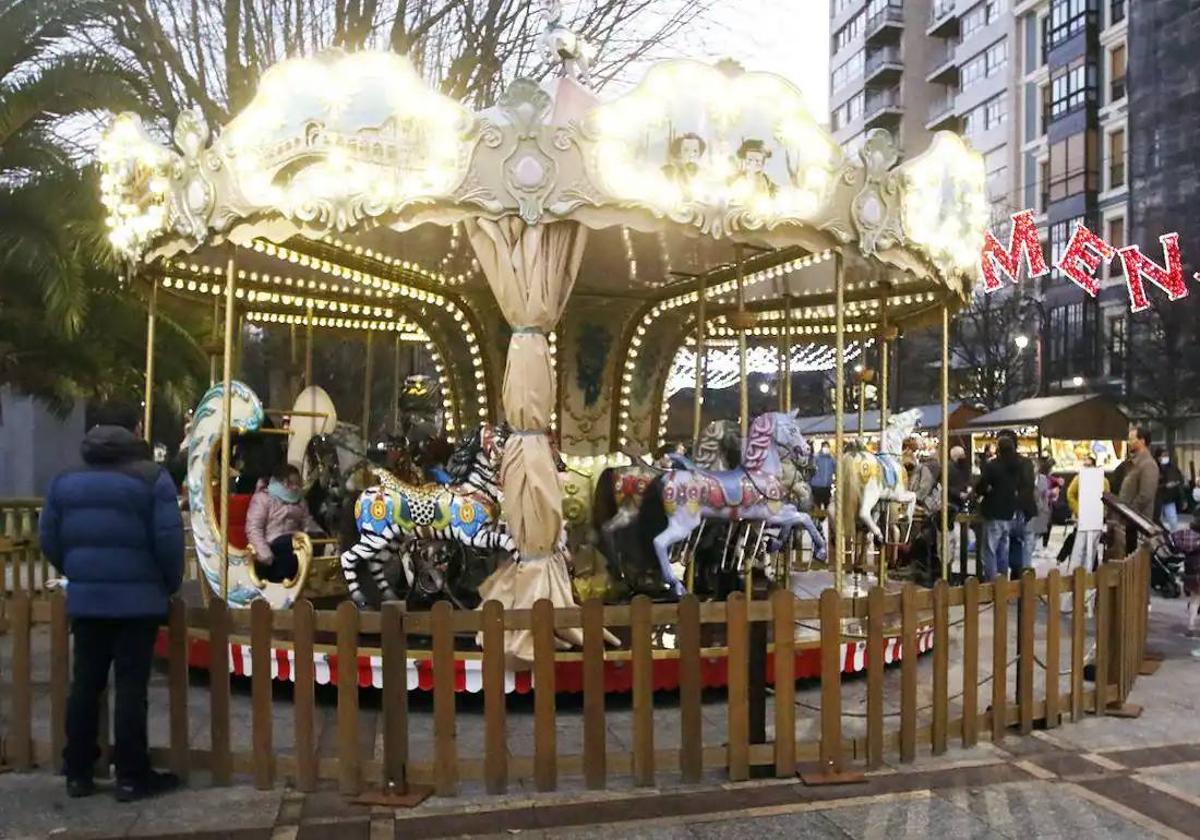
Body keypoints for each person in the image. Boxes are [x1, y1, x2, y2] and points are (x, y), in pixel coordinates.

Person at [39, 401, 184, 801]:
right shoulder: (153, 479)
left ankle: (78, 771)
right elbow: (170, 542)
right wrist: (166, 585)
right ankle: (131, 775)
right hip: (139, 602)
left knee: (85, 684)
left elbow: (49, 537)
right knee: (131, 687)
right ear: (136, 431)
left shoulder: (64, 480)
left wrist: (78, 571)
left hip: (88, 600)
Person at [245, 463, 322, 583]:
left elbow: (307, 521)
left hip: (295, 544)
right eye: (293, 483)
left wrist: (318, 535)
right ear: (284, 483)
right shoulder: (263, 498)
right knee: (289, 545)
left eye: (298, 483)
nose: (296, 487)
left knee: (314, 540)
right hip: (273, 545)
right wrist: (264, 552)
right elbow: (254, 528)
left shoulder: (299, 501)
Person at [973, 434, 1022, 581]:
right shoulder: (1017, 466)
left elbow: (981, 485)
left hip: (993, 511)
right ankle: (1003, 582)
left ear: (999, 449)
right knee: (1003, 550)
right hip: (1009, 512)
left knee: (989, 550)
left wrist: (983, 492)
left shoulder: (992, 465)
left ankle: (992, 584)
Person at [1116, 425, 1160, 553]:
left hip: (1138, 524)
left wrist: (1129, 513)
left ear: (1142, 441)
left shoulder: (1148, 464)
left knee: (1136, 562)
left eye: (1132, 439)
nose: (1129, 442)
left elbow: (1145, 495)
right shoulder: (1132, 463)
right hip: (1129, 523)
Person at [1066, 455, 1110, 573]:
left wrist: (1102, 513)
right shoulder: (1079, 478)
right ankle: (1075, 573)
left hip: (1095, 519)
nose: (1087, 467)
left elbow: (1107, 498)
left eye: (1089, 465)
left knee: (1092, 550)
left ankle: (1089, 574)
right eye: (1085, 465)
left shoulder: (1102, 480)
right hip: (1082, 520)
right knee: (1078, 549)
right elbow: (1070, 494)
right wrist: (1079, 510)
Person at [1153, 446, 1183, 531]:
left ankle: (1174, 538)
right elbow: (1152, 484)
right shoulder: (1154, 467)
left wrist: (1176, 482)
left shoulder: (1172, 467)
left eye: (1167, 455)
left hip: (1169, 498)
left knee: (1173, 521)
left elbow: (1179, 478)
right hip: (1157, 499)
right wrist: (1165, 486)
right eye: (1163, 455)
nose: (1165, 458)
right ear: (1158, 457)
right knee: (1158, 521)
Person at [811, 441, 835, 510]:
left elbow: (836, 469)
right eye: (824, 447)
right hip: (817, 486)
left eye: (827, 447)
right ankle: (817, 520)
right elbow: (812, 467)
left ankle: (824, 519)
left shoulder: (831, 459)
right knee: (817, 506)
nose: (826, 448)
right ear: (821, 448)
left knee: (827, 505)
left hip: (827, 487)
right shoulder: (816, 457)